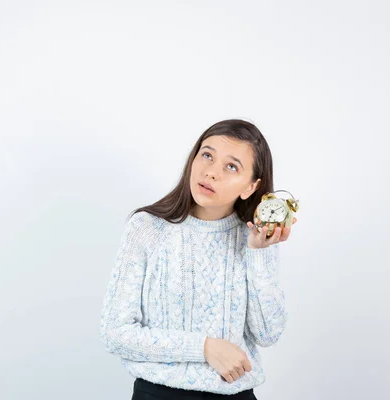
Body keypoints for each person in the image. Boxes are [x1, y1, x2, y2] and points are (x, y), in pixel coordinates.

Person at [98, 119, 297, 399]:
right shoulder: (146, 228)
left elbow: (268, 334)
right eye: (207, 155)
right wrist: (204, 348)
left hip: (235, 393)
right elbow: (115, 333)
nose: (211, 172)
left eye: (231, 166)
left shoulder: (255, 238)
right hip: (159, 394)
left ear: (251, 187)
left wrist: (258, 253)